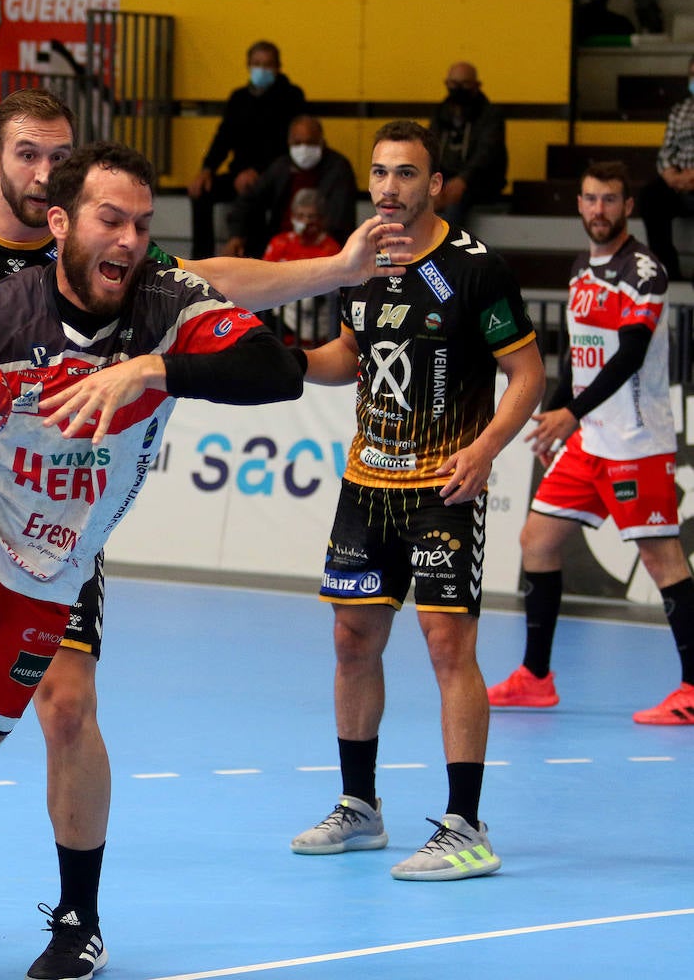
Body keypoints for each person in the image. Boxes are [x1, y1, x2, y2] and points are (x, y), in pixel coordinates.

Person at [0, 88, 410, 980]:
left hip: (50, 568)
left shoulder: (165, 296)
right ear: (57, 221)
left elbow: (275, 369)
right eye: (108, 221)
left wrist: (154, 368)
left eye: (140, 225)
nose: (126, 239)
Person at [291, 119, 545, 881]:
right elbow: (350, 356)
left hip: (443, 485)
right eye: (379, 173)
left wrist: (485, 449)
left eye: (406, 174)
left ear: (434, 185)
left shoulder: (475, 271)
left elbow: (527, 375)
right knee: (351, 643)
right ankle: (360, 807)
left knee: (446, 648)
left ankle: (465, 824)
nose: (389, 189)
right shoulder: (364, 261)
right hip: (367, 484)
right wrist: (291, 362)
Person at [487, 162, 694, 725]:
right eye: (590, 199)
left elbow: (628, 353)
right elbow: (582, 359)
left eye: (610, 200)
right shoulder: (581, 267)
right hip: (591, 440)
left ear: (628, 206)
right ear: (578, 204)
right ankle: (534, 678)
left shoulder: (644, 270)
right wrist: (557, 412)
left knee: (662, 558)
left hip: (637, 440)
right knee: (538, 540)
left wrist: (570, 414)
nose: (599, 210)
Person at [187, 41, 306, 259]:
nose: (262, 69)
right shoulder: (238, 98)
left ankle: (256, 255)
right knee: (201, 192)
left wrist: (258, 172)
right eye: (257, 63)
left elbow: (286, 146)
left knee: (255, 192)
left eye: (268, 64)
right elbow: (222, 138)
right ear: (248, 65)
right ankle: (200, 258)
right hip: (238, 173)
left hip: (273, 175)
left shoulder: (291, 96)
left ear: (278, 67)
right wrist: (206, 169)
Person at [225, 114, 357, 260]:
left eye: (310, 143)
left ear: (322, 142)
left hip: (320, 246)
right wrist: (236, 235)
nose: (304, 149)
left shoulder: (339, 168)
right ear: (289, 143)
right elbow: (249, 200)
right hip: (280, 243)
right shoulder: (281, 166)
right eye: (298, 143)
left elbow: (339, 219)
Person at [427, 61, 508, 229]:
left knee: (456, 201)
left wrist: (463, 179)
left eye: (464, 84)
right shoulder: (440, 113)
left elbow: (487, 154)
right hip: (444, 178)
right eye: (453, 84)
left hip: (480, 182)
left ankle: (447, 250)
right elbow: (429, 148)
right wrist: (433, 181)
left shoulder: (490, 114)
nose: (458, 89)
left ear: (476, 85)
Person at [637, 53, 694, 281]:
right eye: (692, 74)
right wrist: (672, 176)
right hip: (679, 184)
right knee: (651, 197)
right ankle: (668, 271)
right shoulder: (679, 111)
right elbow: (665, 153)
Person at [264, 188, 342, 344]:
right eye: (300, 216)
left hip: (317, 325)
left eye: (311, 216)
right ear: (292, 217)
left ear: (322, 219)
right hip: (281, 322)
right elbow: (263, 277)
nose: (306, 222)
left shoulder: (331, 249)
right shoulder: (279, 243)